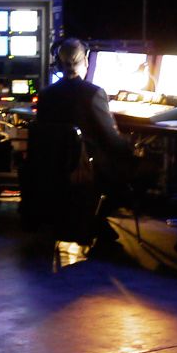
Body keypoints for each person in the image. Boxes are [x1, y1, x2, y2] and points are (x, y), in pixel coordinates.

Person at [33, 37, 134, 253]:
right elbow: (112, 140)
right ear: (86, 61)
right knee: (134, 170)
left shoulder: (46, 95)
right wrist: (132, 147)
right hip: (86, 169)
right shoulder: (94, 93)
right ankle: (96, 222)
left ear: (58, 65)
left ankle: (88, 222)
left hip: (53, 168)